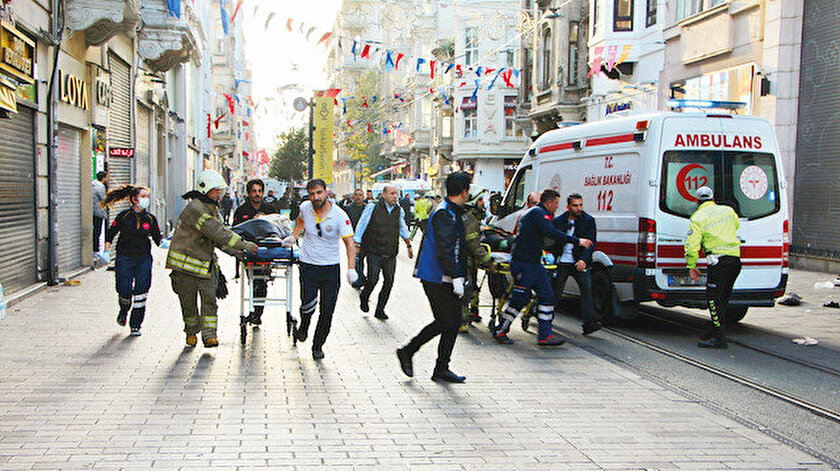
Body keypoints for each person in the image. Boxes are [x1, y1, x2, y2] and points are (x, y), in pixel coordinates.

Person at [166, 170, 258, 348]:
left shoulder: (210, 208)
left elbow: (216, 239)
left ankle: (209, 336)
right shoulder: (196, 209)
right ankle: (191, 331)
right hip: (185, 268)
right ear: (205, 189)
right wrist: (244, 245)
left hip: (205, 266)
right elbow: (217, 232)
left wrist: (237, 254)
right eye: (216, 190)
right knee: (189, 304)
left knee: (210, 301)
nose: (220, 194)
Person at [396, 172, 472, 384]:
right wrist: (455, 275)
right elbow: (445, 248)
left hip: (445, 275)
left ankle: (441, 367)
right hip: (436, 275)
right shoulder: (444, 213)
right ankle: (408, 351)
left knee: (453, 321)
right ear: (464, 191)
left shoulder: (453, 211)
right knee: (446, 320)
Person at [492, 189, 592, 346]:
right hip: (525, 263)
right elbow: (551, 233)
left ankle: (545, 334)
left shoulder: (535, 213)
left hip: (533, 263)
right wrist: (576, 241)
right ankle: (500, 329)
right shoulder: (538, 214)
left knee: (547, 295)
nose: (557, 207)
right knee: (520, 299)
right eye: (557, 203)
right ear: (550, 202)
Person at [282, 179, 357, 360]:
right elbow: (300, 221)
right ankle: (304, 326)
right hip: (308, 265)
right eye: (312, 194)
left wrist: (351, 268)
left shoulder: (339, 215)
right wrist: (293, 236)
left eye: (319, 193)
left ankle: (318, 345)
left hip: (330, 268)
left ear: (326, 192)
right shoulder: (306, 207)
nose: (316, 197)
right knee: (307, 304)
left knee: (327, 310)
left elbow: (349, 243)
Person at [685, 186, 741, 349]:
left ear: (697, 201)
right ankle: (715, 328)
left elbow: (691, 245)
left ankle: (720, 337)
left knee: (713, 299)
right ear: (713, 198)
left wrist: (691, 265)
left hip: (718, 263)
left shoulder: (698, 218)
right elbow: (736, 225)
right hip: (735, 262)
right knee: (723, 298)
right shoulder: (728, 211)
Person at [101, 185, 162, 336]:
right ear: (134, 199)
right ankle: (124, 310)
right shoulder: (123, 217)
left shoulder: (150, 219)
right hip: (124, 258)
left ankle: (136, 325)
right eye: (143, 196)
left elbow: (158, 238)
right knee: (124, 289)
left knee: (141, 292)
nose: (146, 199)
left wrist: (167, 245)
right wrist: (105, 251)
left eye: (147, 196)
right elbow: (111, 233)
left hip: (143, 259)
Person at [354, 185, 414, 320]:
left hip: (391, 253)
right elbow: (361, 225)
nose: (394, 196)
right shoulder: (372, 207)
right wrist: (356, 243)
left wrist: (409, 244)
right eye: (392, 193)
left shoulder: (398, 210)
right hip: (374, 251)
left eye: (396, 194)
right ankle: (364, 296)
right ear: (384, 194)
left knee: (389, 282)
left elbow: (402, 227)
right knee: (372, 280)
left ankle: (380, 310)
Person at [552, 193, 601, 335]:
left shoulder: (588, 220)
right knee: (556, 291)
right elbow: (555, 240)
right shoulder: (559, 221)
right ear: (568, 207)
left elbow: (591, 243)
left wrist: (584, 260)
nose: (579, 208)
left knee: (586, 290)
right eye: (575, 205)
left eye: (580, 205)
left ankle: (589, 322)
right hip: (562, 261)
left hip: (579, 261)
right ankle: (545, 316)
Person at [232, 179, 278, 325]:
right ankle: (254, 311)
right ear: (249, 193)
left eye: (259, 191)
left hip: (267, 251)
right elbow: (236, 230)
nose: (257, 194)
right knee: (253, 280)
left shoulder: (271, 209)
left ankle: (257, 313)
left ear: (263, 192)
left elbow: (278, 228)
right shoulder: (242, 211)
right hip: (249, 251)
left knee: (261, 281)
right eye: (254, 191)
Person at [460, 185, 495, 332]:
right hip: (465, 259)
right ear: (473, 201)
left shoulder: (472, 217)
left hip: (469, 260)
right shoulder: (470, 219)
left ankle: (473, 312)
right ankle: (461, 322)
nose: (483, 203)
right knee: (466, 289)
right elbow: (473, 244)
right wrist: (489, 261)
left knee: (472, 286)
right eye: (480, 200)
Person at [342, 189, 368, 288]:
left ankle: (363, 278)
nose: (358, 197)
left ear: (363, 197)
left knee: (365, 259)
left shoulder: (367, 209)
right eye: (356, 195)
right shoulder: (348, 209)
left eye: (360, 195)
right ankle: (361, 278)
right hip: (353, 239)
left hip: (367, 238)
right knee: (357, 259)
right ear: (353, 197)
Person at [92, 171, 108, 253]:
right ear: (104, 178)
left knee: (94, 230)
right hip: (98, 212)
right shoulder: (100, 187)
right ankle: (96, 249)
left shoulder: (93, 184)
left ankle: (94, 248)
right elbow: (103, 199)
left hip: (92, 211)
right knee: (97, 231)